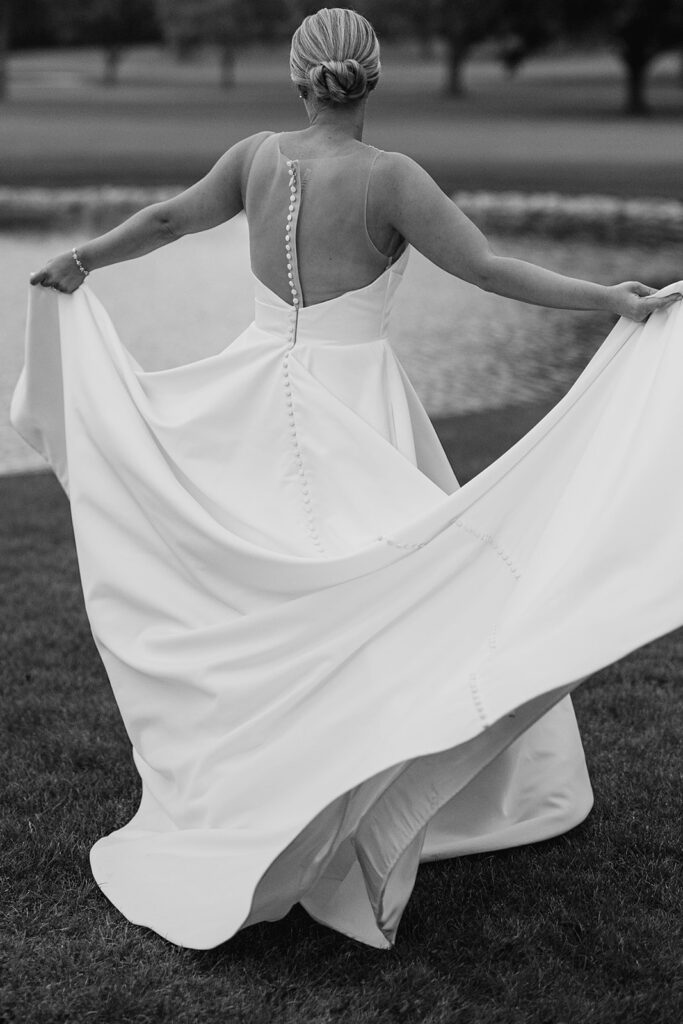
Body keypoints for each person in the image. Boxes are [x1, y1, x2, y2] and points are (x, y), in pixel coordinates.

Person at [13, 8, 683, 951]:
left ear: (300, 78)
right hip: (351, 405)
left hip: (250, 393)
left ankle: (275, 768)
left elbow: (168, 220)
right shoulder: (390, 179)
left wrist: (82, 259)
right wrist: (608, 297)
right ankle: (358, 780)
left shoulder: (254, 157)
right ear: (373, 82)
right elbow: (487, 269)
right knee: (395, 589)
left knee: (275, 588)